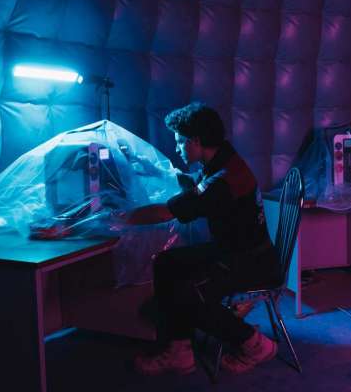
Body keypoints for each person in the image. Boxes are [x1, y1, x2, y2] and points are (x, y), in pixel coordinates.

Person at [115, 102, 281, 376]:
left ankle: (255, 344)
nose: (177, 148)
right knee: (167, 263)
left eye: (179, 142)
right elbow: (196, 185)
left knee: (186, 293)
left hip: (249, 263)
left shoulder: (223, 181)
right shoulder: (222, 160)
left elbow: (167, 212)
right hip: (240, 252)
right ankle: (180, 351)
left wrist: (119, 219)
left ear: (195, 141)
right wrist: (145, 166)